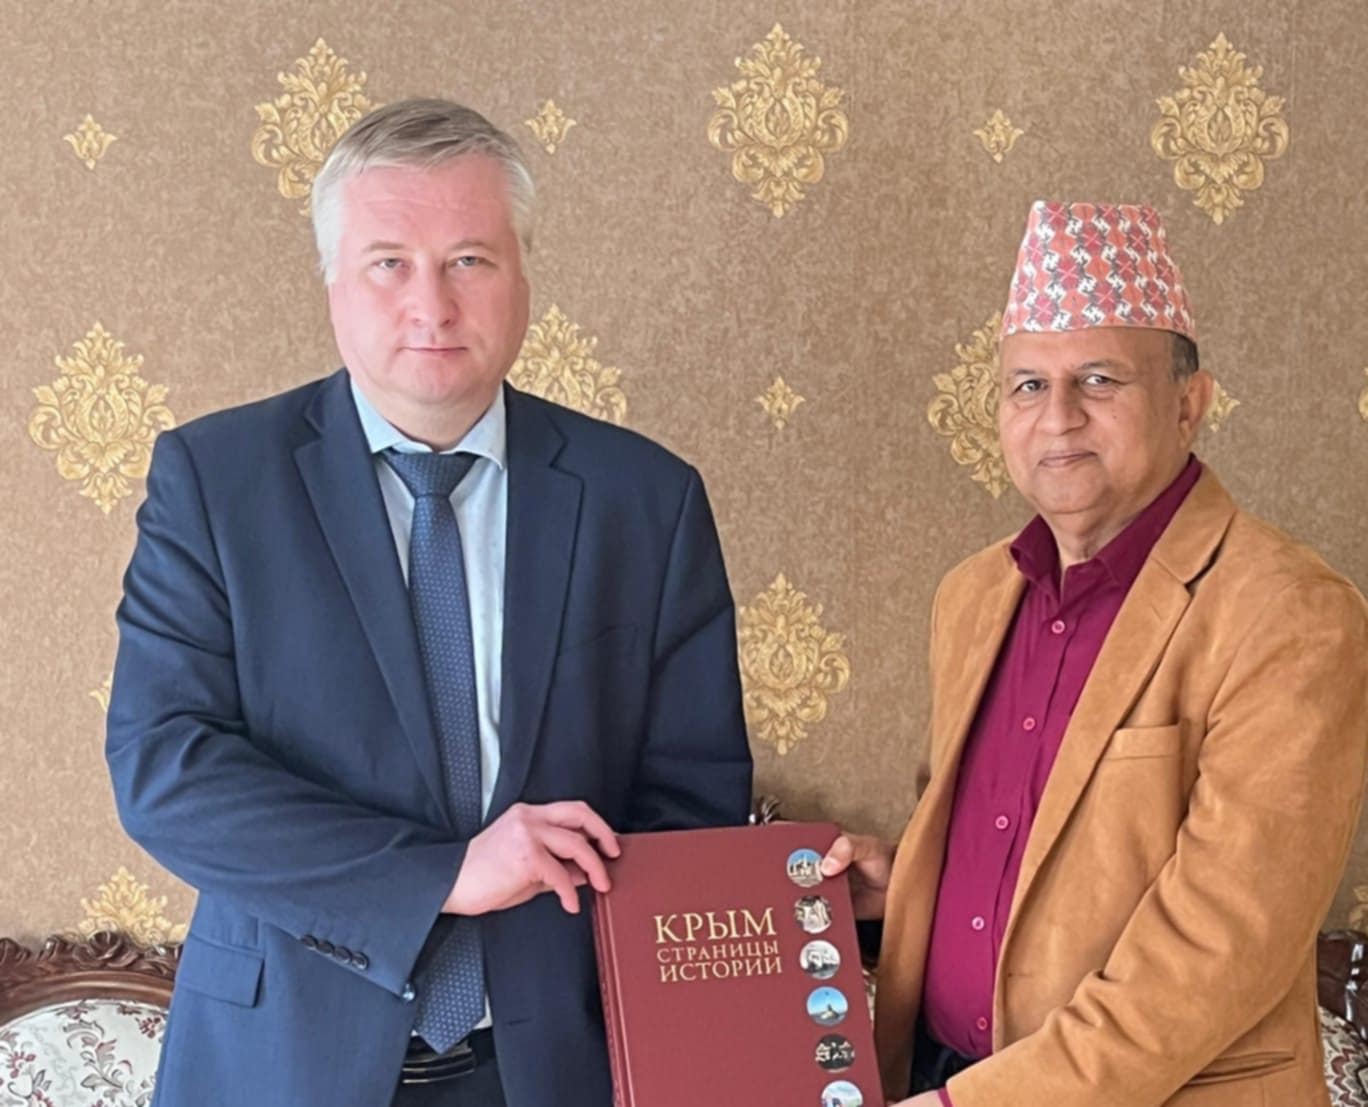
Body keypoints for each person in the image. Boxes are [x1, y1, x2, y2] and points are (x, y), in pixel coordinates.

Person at [105, 98, 752, 1107]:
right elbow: (165, 768)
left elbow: (692, 803)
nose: (432, 305)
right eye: (389, 263)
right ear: (332, 282)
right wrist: (442, 876)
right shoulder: (216, 481)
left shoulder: (645, 500)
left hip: (558, 1069)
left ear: (522, 278)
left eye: (469, 260)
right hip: (282, 1066)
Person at [824, 201, 1368, 1106]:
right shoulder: (973, 595)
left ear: (1189, 403)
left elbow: (1215, 948)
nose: (1059, 417)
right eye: (1027, 385)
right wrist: (914, 877)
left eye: (1100, 379)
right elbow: (1038, 849)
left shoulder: (1291, 616)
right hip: (934, 1074)